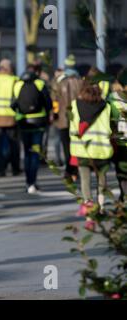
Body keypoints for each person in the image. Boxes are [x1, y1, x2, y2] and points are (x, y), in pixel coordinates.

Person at [70, 81, 115, 214]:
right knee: (102, 178)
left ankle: (88, 204)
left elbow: (72, 125)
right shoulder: (106, 106)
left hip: (82, 150)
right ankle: (101, 205)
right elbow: (111, 126)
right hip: (102, 149)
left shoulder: (75, 105)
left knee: (85, 179)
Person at [12, 69, 52, 194]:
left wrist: (20, 112)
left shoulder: (17, 85)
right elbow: (48, 103)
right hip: (38, 123)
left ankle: (27, 182)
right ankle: (33, 182)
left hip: (24, 123)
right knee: (35, 153)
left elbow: (12, 104)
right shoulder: (40, 84)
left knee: (27, 153)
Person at [0, 59, 21, 177]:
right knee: (13, 145)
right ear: (8, 68)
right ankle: (15, 168)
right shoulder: (14, 80)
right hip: (10, 117)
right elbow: (18, 98)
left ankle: (1, 169)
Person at [55, 55, 82, 181]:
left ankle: (68, 170)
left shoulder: (59, 81)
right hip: (77, 119)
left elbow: (54, 99)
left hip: (63, 119)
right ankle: (75, 170)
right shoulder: (80, 81)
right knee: (76, 146)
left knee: (66, 146)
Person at [108, 68, 127, 202]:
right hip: (119, 139)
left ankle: (124, 194)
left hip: (120, 140)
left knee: (121, 170)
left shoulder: (112, 98)